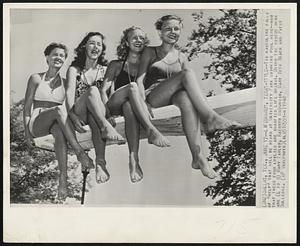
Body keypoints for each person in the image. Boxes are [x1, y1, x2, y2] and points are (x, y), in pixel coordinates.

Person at [136, 15, 242, 179]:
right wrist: (142, 103)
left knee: (186, 98)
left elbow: (190, 86)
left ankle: (198, 157)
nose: (173, 32)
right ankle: (211, 117)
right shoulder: (150, 51)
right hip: (154, 95)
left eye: (176, 28)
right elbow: (139, 80)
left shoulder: (182, 56)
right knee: (187, 73)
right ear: (160, 32)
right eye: (168, 28)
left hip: (175, 96)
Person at [23, 42, 94, 200]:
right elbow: (27, 107)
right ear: (47, 57)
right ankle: (79, 152)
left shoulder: (66, 81)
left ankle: (63, 179)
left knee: (59, 132)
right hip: (38, 121)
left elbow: (71, 105)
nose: (58, 58)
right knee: (58, 110)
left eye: (62, 56)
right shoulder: (36, 78)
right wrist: (27, 134)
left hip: (58, 122)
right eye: (55, 54)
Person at [100, 27, 170, 183]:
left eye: (141, 38)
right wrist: (107, 115)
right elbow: (103, 91)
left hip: (129, 105)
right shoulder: (116, 64)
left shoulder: (146, 66)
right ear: (126, 42)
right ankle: (150, 129)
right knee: (133, 87)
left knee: (129, 108)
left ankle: (133, 160)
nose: (138, 41)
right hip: (114, 104)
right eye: (134, 38)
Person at [65, 32, 124, 184]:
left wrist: (110, 115)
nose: (95, 47)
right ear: (84, 46)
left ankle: (100, 163)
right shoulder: (74, 70)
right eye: (92, 43)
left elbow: (110, 95)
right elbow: (69, 94)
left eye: (99, 44)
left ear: (102, 49)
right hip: (79, 113)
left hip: (98, 114)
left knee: (95, 115)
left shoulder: (106, 70)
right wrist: (72, 116)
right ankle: (105, 126)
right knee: (93, 91)